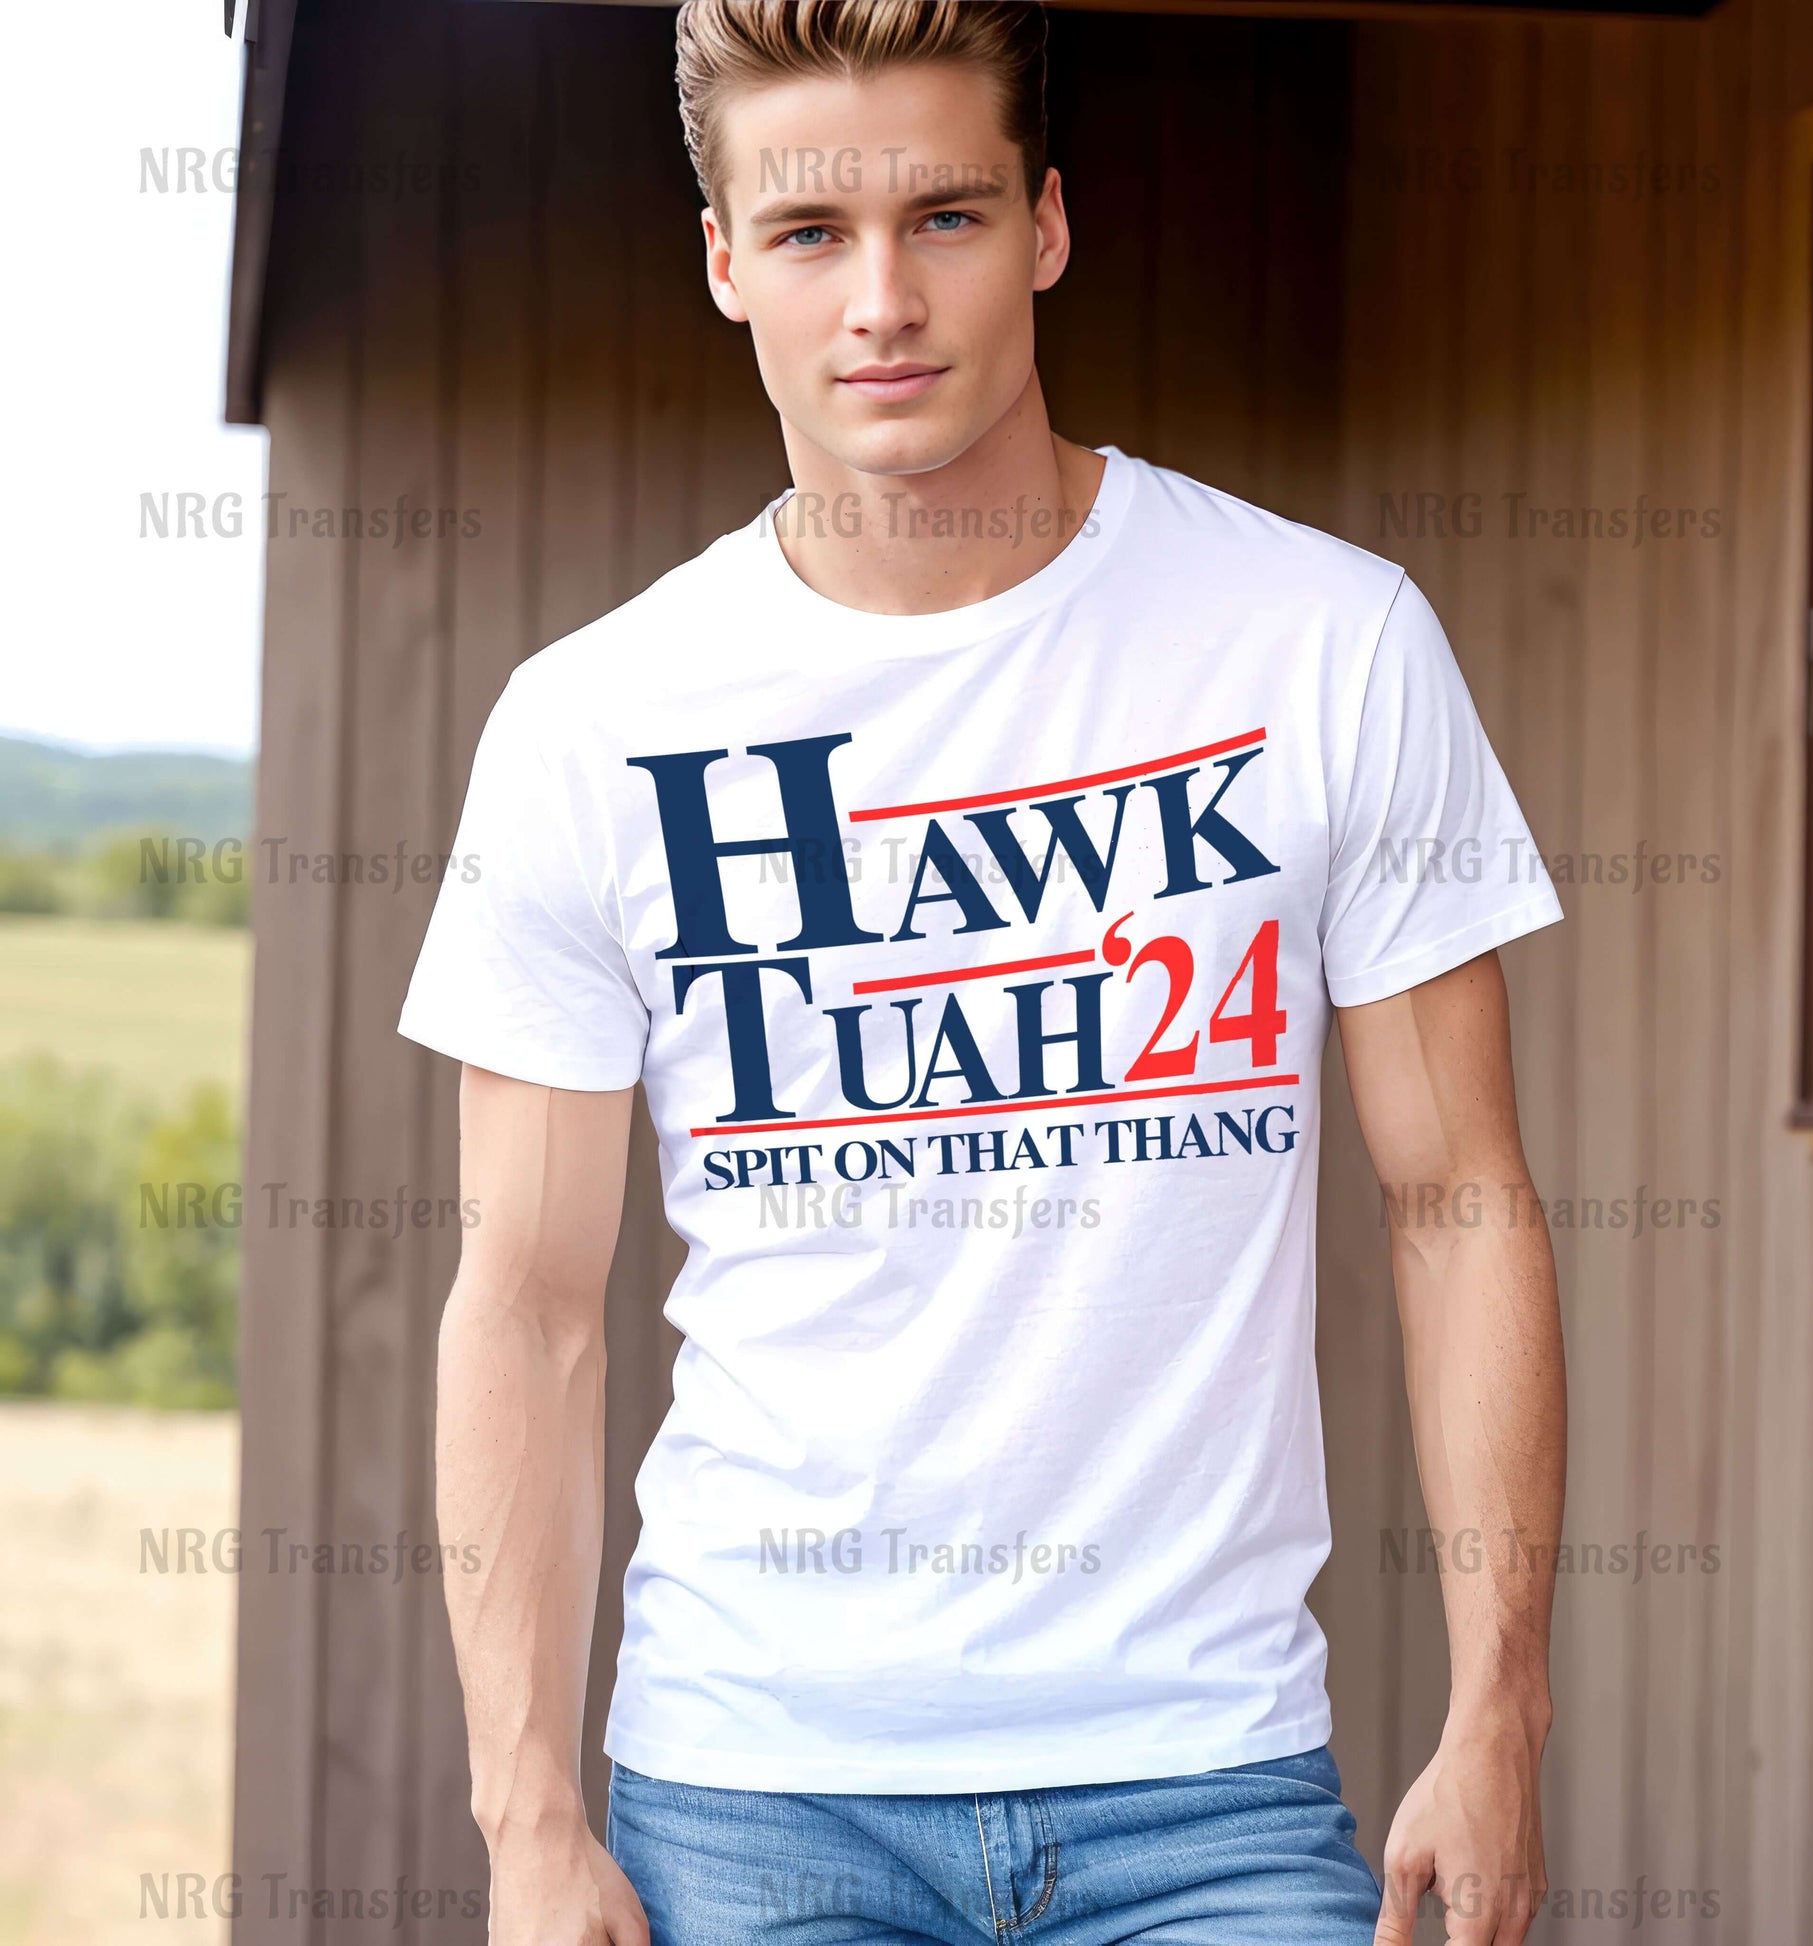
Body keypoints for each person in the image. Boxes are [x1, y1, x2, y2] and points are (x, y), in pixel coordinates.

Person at [400, 3, 1567, 1941]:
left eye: (941, 216)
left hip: (1209, 1789)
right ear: (720, 263)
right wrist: (527, 1817)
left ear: (1043, 225)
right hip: (751, 1799)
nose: (881, 300)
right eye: (807, 234)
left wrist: (1502, 1705)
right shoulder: (585, 726)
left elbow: (1457, 1200)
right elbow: (522, 1305)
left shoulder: (1322, 643)